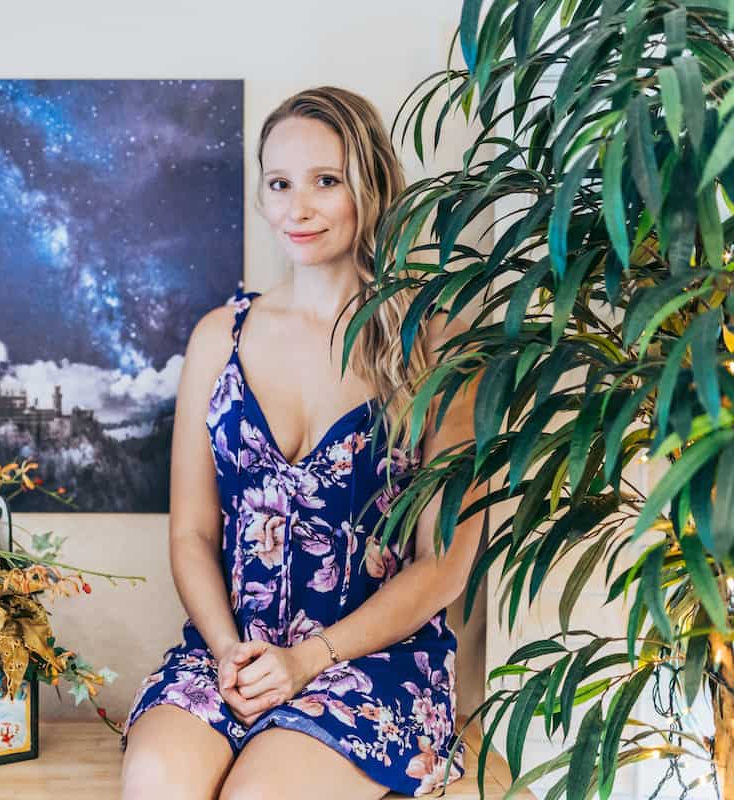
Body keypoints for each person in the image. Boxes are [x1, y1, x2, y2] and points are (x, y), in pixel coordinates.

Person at [119, 86, 485, 799]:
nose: (298, 207)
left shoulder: (435, 345)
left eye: (325, 180)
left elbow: (444, 563)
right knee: (157, 781)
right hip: (233, 651)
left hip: (375, 664)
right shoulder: (218, 338)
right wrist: (228, 650)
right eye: (280, 183)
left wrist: (308, 660)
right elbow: (192, 533)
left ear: (371, 185)